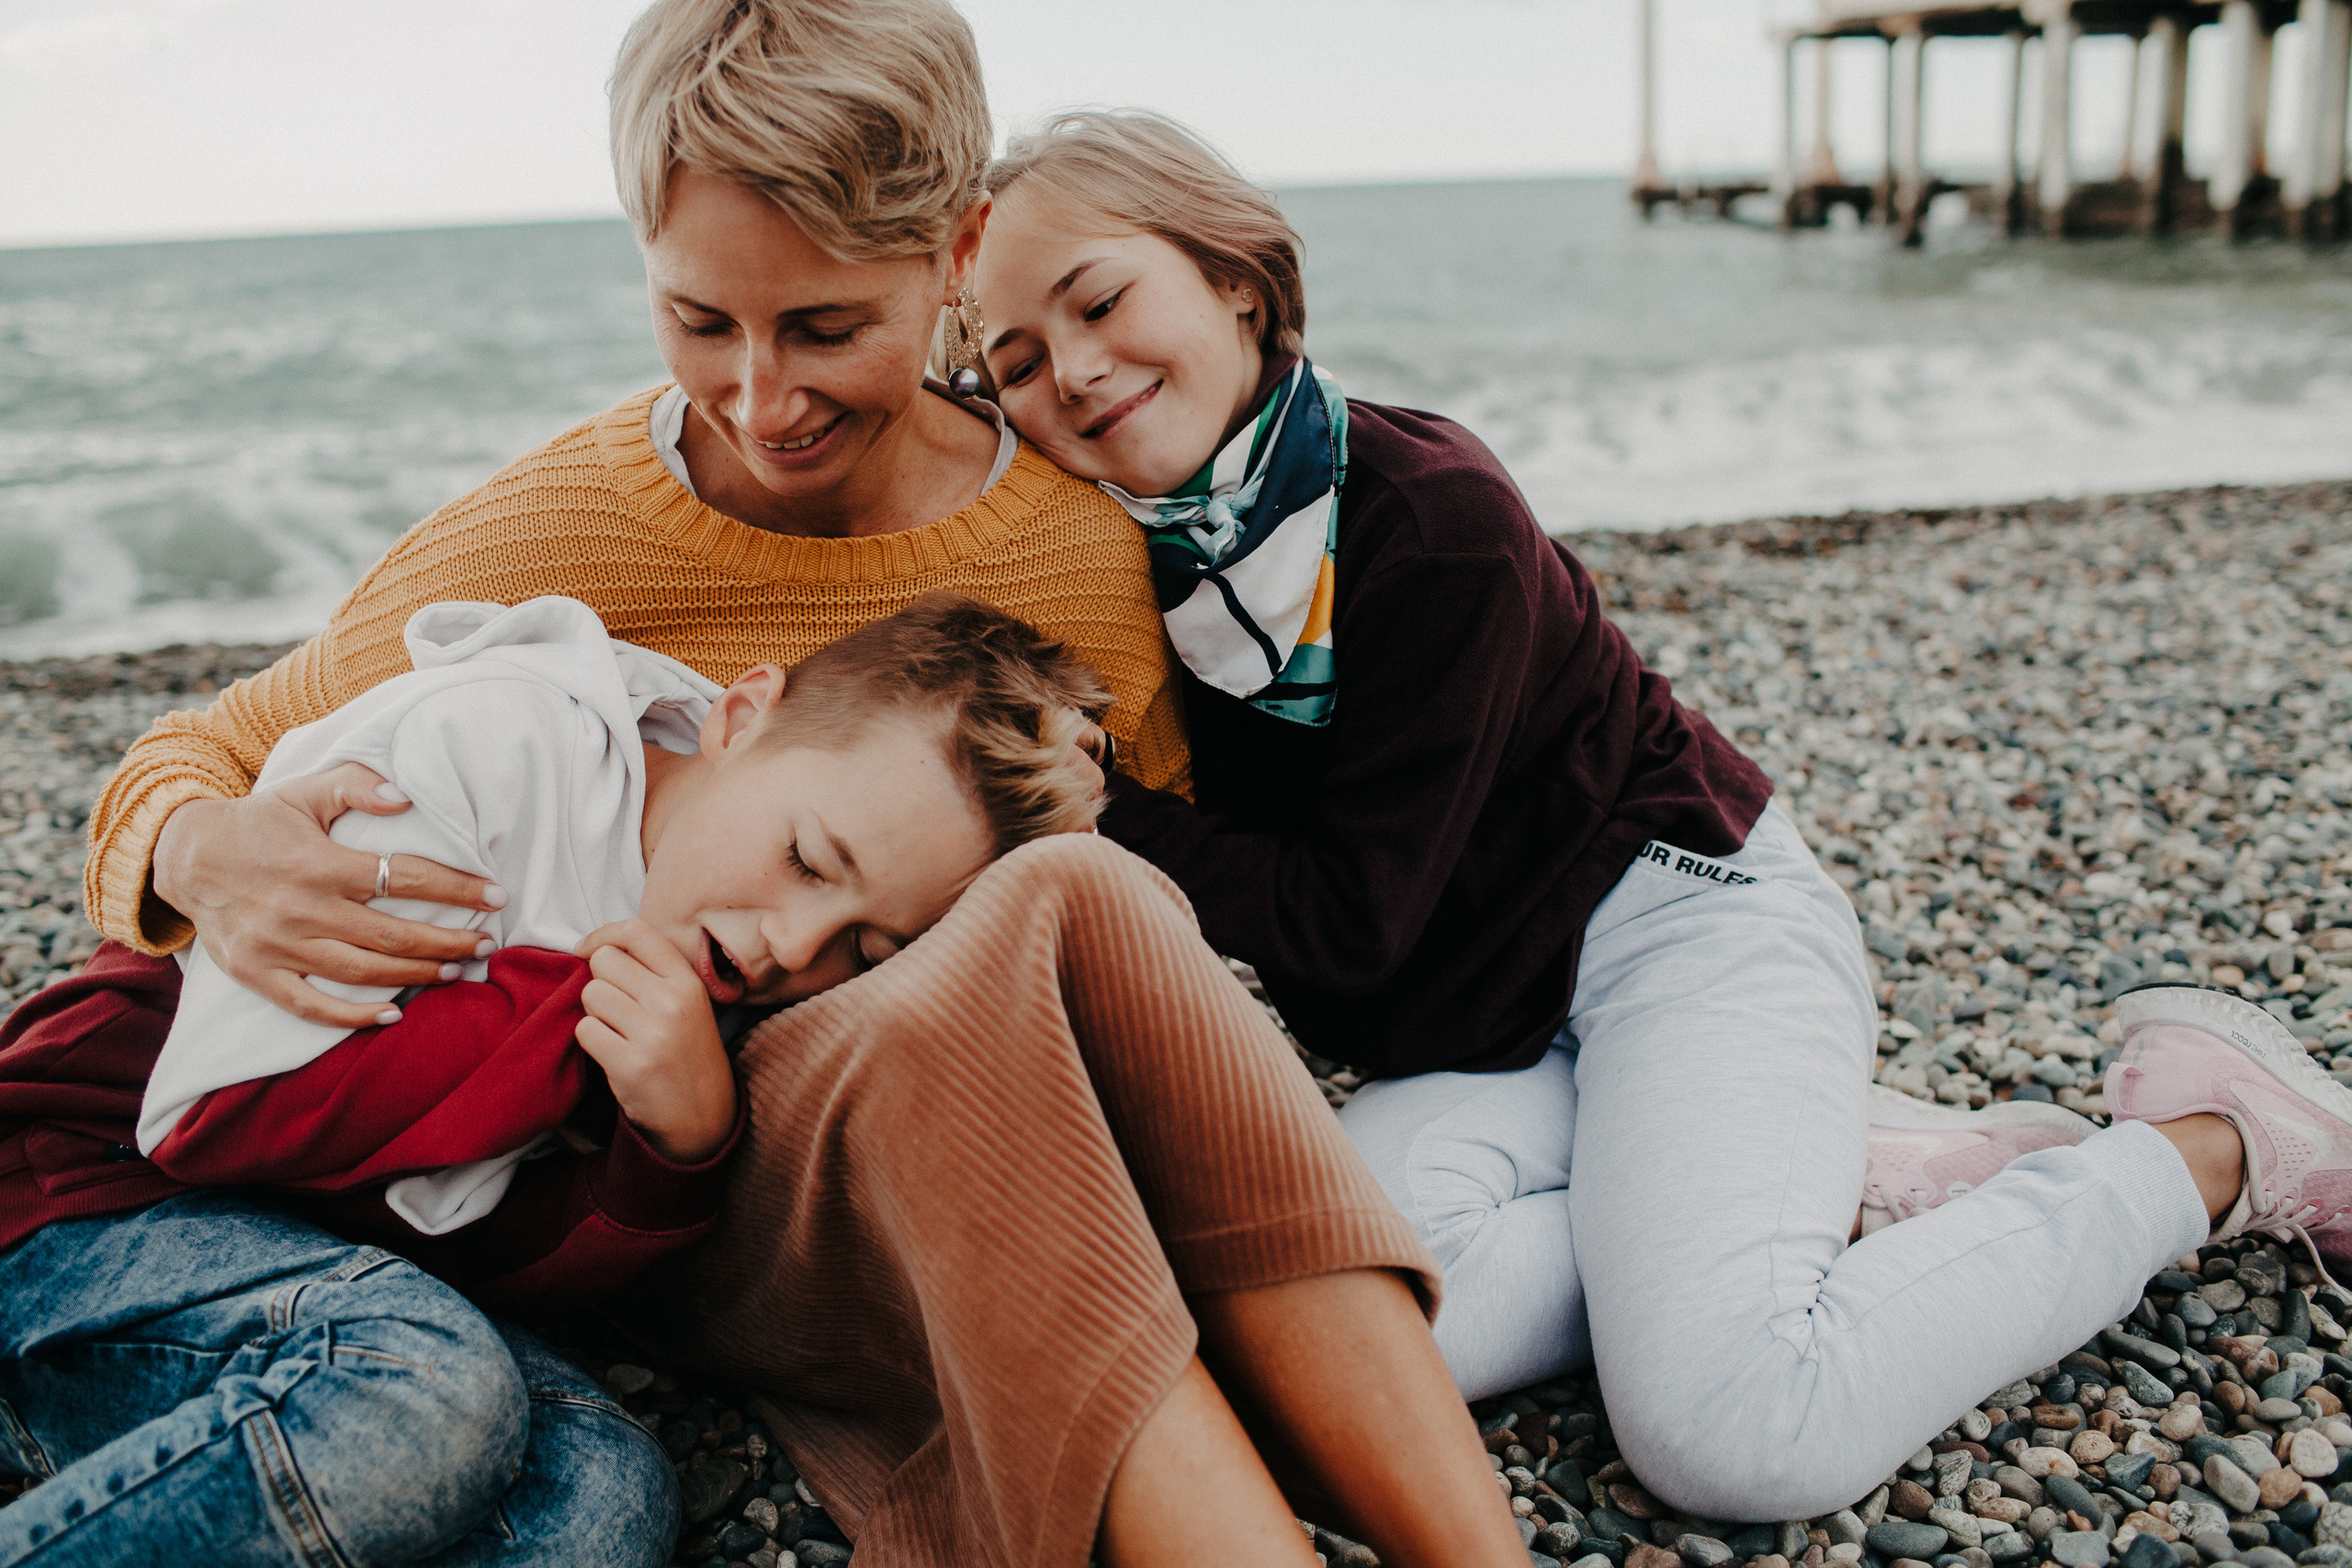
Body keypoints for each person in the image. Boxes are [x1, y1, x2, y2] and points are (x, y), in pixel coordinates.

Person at [74, 5, 1534, 1564]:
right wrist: (209, 852)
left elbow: (1172, 927)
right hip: (696, 1157)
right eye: (701, 323)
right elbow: (195, 754)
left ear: (961, 251)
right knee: (996, 980)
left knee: (1087, 881)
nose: (761, 400)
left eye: (826, 329)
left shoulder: (1073, 556)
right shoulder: (568, 528)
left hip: (979, 1105)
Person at [968, 108, 2321, 1520]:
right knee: (1332, 1351)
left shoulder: (1428, 517)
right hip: (1492, 1026)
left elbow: (1348, 931)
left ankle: (2205, 1148)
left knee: (1734, 1429)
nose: (1073, 368)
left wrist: (1092, 814)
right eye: (1015, 361)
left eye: (1102, 299)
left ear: (1235, 277)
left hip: (1682, 924)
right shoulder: (1157, 569)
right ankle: (1807, 1182)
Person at [0, 591, 1108, 1563]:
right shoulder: (493, 749)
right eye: (810, 861)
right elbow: (225, 1122)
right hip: (78, 1197)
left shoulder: (705, 963)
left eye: (865, 949)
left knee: (600, 1497)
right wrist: (573, 1006)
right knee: (423, 1383)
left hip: (298, 1274)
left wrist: (672, 1154)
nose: (793, 945)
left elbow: (479, 1254)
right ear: (737, 716)